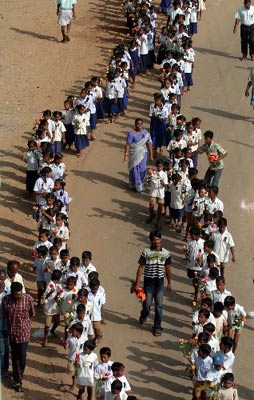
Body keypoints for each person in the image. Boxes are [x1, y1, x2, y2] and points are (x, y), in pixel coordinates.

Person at [134, 230, 172, 336]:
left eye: (158, 239)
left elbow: (168, 268)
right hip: (148, 284)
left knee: (159, 306)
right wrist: (137, 284)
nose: (156, 242)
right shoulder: (146, 252)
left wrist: (169, 282)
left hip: (159, 283)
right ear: (151, 241)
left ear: (161, 239)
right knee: (147, 305)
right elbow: (140, 268)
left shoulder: (166, 253)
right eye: (154, 240)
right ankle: (144, 315)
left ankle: (157, 327)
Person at [2, 282, 35, 391]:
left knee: (22, 358)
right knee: (15, 356)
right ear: (11, 292)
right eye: (16, 294)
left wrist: (23, 323)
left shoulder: (28, 299)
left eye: (20, 294)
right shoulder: (6, 300)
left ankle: (18, 375)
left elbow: (31, 314)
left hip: (24, 333)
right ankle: (17, 381)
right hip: (12, 333)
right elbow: (4, 314)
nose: (18, 296)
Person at [124, 118, 153, 192]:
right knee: (135, 169)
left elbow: (149, 143)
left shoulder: (145, 132)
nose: (139, 125)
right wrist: (126, 155)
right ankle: (137, 185)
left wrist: (151, 154)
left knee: (142, 169)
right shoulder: (131, 133)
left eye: (141, 124)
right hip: (134, 154)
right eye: (138, 124)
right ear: (135, 124)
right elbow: (128, 144)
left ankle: (141, 183)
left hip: (143, 154)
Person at [0, 270, 10, 378]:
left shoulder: (8, 293)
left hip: (6, 325)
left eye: (2, 279)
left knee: (5, 349)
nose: (0, 281)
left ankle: (4, 369)